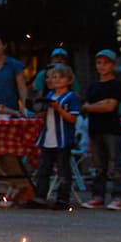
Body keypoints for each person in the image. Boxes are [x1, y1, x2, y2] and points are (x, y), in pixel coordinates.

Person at [25, 64, 81, 210]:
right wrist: (38, 110)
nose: (55, 80)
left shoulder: (71, 97)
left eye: (59, 77)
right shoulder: (49, 96)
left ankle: (63, 198)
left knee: (63, 170)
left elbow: (72, 118)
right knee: (44, 169)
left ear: (69, 80)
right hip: (47, 138)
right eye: (53, 77)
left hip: (62, 139)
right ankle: (40, 197)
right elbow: (44, 114)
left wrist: (58, 109)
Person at [80, 49, 121, 210]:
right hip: (95, 129)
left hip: (111, 130)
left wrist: (93, 107)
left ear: (113, 65)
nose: (102, 66)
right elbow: (86, 106)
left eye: (106, 63)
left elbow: (110, 106)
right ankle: (98, 195)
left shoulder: (116, 85)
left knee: (115, 164)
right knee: (98, 166)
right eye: (99, 62)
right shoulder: (93, 86)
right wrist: (98, 105)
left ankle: (118, 196)